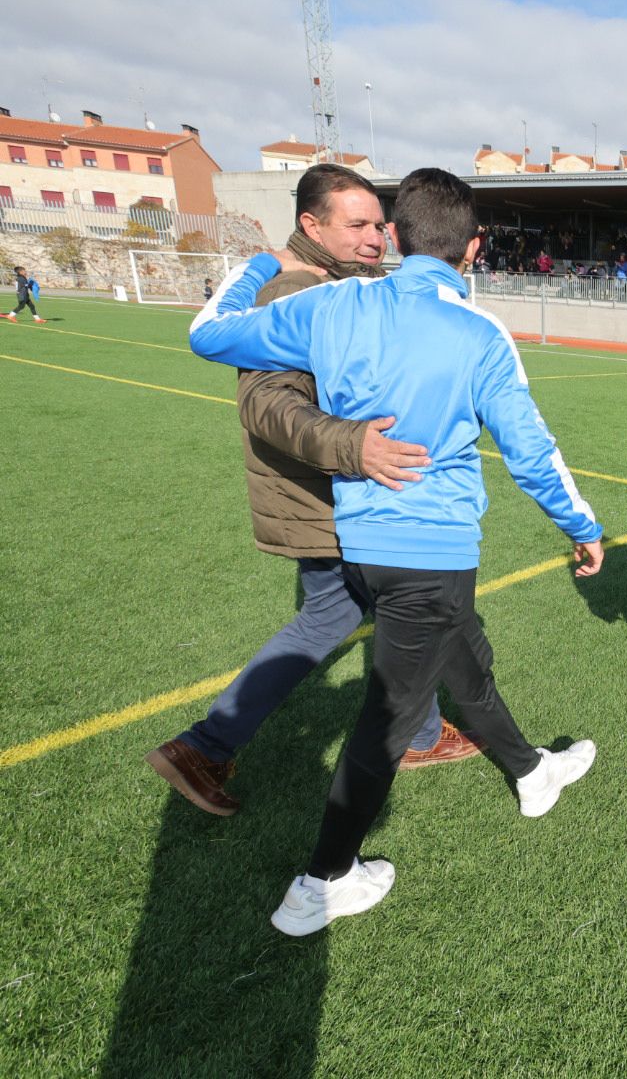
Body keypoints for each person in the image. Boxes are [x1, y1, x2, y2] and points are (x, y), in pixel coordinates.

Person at [190, 168, 604, 935]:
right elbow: (531, 449)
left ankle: (531, 770)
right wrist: (581, 526)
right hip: (431, 551)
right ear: (472, 248)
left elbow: (207, 335)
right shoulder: (479, 332)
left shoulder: (333, 301)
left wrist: (255, 268)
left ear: (397, 236)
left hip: (362, 547)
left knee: (462, 660)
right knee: (390, 715)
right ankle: (322, 883)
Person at [146, 166, 469, 820]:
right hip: (326, 505)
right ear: (311, 225)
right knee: (376, 611)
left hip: (345, 501)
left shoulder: (340, 285)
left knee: (387, 612)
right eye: (358, 225)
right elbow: (268, 406)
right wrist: (358, 446)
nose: (378, 238)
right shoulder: (290, 294)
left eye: (380, 224)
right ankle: (204, 746)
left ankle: (422, 733)